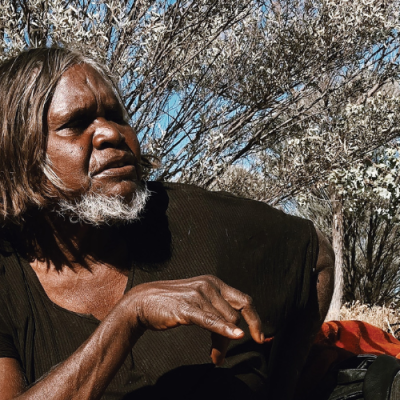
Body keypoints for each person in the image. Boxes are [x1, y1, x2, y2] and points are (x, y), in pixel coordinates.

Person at [0, 47, 334, 400]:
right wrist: (131, 315)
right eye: (76, 124)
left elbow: (316, 258)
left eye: (116, 116)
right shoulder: (7, 277)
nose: (111, 134)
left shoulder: (186, 216)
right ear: (21, 155)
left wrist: (282, 388)